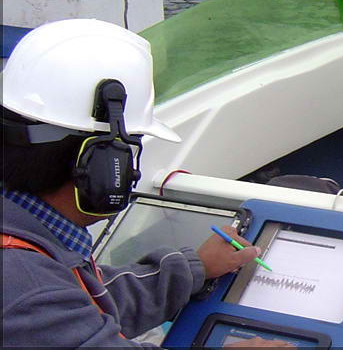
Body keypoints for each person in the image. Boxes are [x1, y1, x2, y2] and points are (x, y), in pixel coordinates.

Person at [1, 19, 290, 348]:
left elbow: (76, 301)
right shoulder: (26, 287)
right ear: (102, 166)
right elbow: (49, 304)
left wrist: (193, 269)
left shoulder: (29, 255)